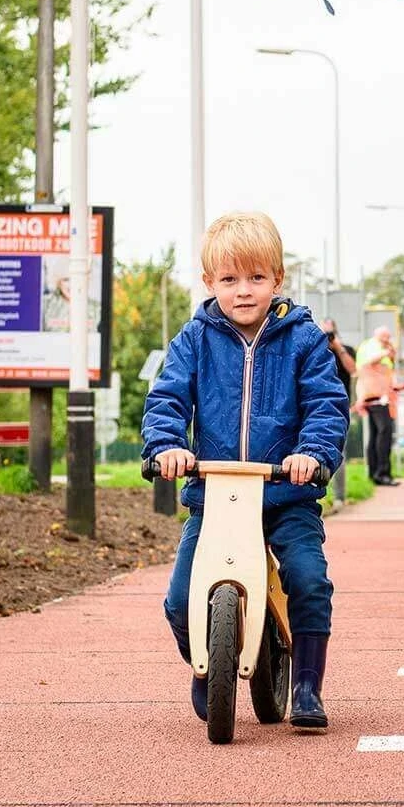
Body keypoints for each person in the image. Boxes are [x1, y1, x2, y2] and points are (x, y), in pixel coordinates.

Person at [144, 211, 347, 733]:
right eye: (230, 279)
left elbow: (326, 405)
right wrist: (167, 446)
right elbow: (167, 399)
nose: (243, 291)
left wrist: (312, 454)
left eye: (256, 278)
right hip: (215, 497)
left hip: (285, 494)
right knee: (180, 600)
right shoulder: (194, 339)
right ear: (209, 282)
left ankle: (306, 684)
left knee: (308, 579)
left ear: (277, 278)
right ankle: (205, 662)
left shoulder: (303, 340)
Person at [353, 326, 403, 486]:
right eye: (385, 337)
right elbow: (369, 363)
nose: (387, 341)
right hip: (376, 396)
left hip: (377, 396)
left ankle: (375, 473)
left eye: (388, 338)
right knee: (384, 432)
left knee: (376, 434)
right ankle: (382, 473)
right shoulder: (372, 346)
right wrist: (386, 352)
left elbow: (385, 370)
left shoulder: (377, 347)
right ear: (378, 336)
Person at [319, 319, 358, 501]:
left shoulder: (346, 350)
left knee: (338, 451)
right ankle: (318, 498)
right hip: (315, 405)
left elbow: (353, 370)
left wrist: (338, 347)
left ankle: (339, 497)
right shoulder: (314, 349)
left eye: (330, 333)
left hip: (340, 408)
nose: (328, 337)